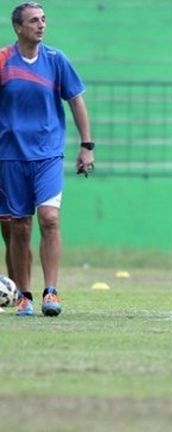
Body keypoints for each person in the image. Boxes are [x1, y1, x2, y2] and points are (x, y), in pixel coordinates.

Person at [0, 2, 94, 317]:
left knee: (50, 218)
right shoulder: (3, 61)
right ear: (18, 27)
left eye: (43, 19)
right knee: (19, 227)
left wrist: (86, 145)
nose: (41, 25)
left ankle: (51, 292)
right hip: (11, 155)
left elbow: (76, 101)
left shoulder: (56, 60)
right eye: (33, 21)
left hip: (48, 154)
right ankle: (24, 296)